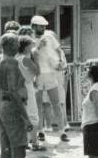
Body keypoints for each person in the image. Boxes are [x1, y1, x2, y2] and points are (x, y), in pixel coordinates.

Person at [30, 15, 69, 145]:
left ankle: (62, 131)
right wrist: (39, 45)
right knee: (38, 105)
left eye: (44, 26)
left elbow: (58, 50)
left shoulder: (49, 36)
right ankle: (40, 130)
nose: (43, 28)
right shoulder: (30, 39)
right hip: (38, 74)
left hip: (51, 73)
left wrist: (61, 62)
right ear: (34, 26)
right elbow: (31, 54)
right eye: (41, 26)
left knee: (56, 103)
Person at [16, 35, 42, 151]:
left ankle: (24, 141)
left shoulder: (16, 58)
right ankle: (35, 142)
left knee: (22, 114)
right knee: (33, 114)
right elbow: (37, 71)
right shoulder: (25, 59)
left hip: (18, 87)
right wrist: (36, 58)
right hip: (27, 86)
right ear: (26, 47)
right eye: (31, 45)